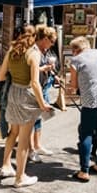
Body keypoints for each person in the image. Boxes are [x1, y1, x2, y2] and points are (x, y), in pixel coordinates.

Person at [0, 25, 53, 187]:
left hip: (13, 92)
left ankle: (6, 165)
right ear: (34, 36)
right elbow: (35, 83)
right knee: (24, 139)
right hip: (27, 96)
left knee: (13, 132)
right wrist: (43, 104)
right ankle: (20, 177)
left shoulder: (13, 51)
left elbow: (1, 76)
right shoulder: (33, 53)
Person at [69, 36, 97, 182]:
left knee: (86, 133)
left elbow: (74, 86)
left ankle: (84, 170)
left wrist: (72, 88)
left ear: (76, 50)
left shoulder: (76, 61)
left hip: (91, 101)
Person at [30, 25, 59, 162]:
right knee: (31, 119)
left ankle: (37, 145)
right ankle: (30, 149)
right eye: (52, 41)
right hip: (35, 88)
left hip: (44, 85)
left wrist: (53, 73)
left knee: (39, 118)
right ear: (45, 38)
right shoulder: (34, 50)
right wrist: (43, 69)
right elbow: (31, 71)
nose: (52, 45)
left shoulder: (45, 51)